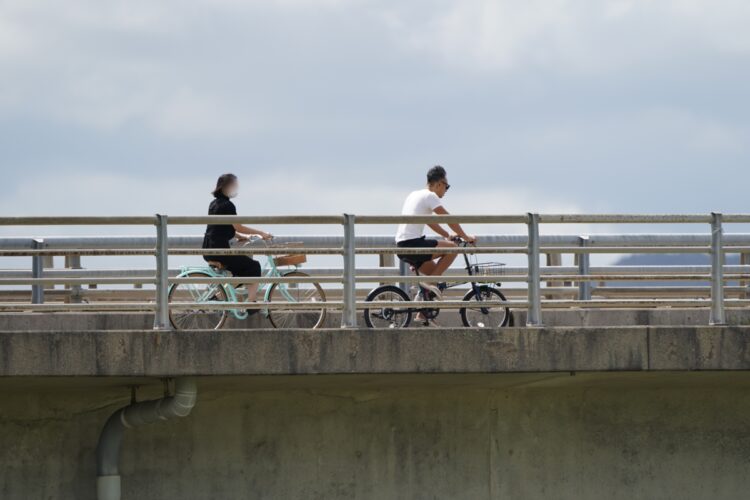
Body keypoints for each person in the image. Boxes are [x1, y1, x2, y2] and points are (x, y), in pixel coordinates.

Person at [395, 165, 476, 299]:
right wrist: (466, 237)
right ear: (439, 184)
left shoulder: (414, 194)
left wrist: (447, 235)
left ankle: (422, 314)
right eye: (447, 186)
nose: (446, 190)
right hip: (414, 244)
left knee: (436, 278)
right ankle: (429, 283)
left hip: (401, 246)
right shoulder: (430, 196)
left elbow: (430, 221)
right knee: (454, 250)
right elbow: (448, 218)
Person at [202, 173, 272, 312]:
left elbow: (223, 228)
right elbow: (237, 226)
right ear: (225, 187)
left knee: (241, 271)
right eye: (234, 185)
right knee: (254, 267)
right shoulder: (228, 205)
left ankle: (217, 296)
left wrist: (241, 236)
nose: (236, 188)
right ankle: (251, 304)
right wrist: (261, 233)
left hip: (208, 248)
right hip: (220, 250)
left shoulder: (214, 204)